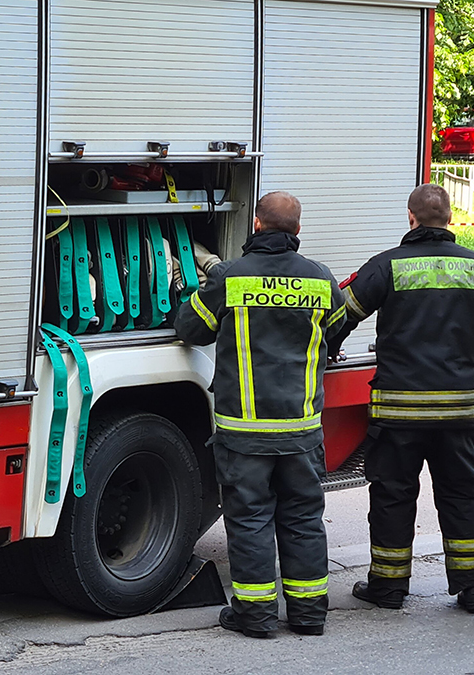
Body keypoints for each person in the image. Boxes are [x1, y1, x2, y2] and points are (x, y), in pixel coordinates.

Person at [330, 184, 474, 614]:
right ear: (449, 219)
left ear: (410, 218)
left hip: (399, 412)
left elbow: (340, 315)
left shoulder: (386, 266)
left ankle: (389, 588)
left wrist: (329, 347)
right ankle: (472, 588)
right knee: (463, 495)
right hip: (459, 411)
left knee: (393, 497)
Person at [175, 191, 347, 639]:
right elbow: (336, 327)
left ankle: (255, 616)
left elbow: (189, 329)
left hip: (244, 434)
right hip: (302, 432)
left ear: (255, 224)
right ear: (298, 230)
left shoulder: (230, 278)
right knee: (304, 519)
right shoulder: (320, 279)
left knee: (250, 519)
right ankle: (309, 616)